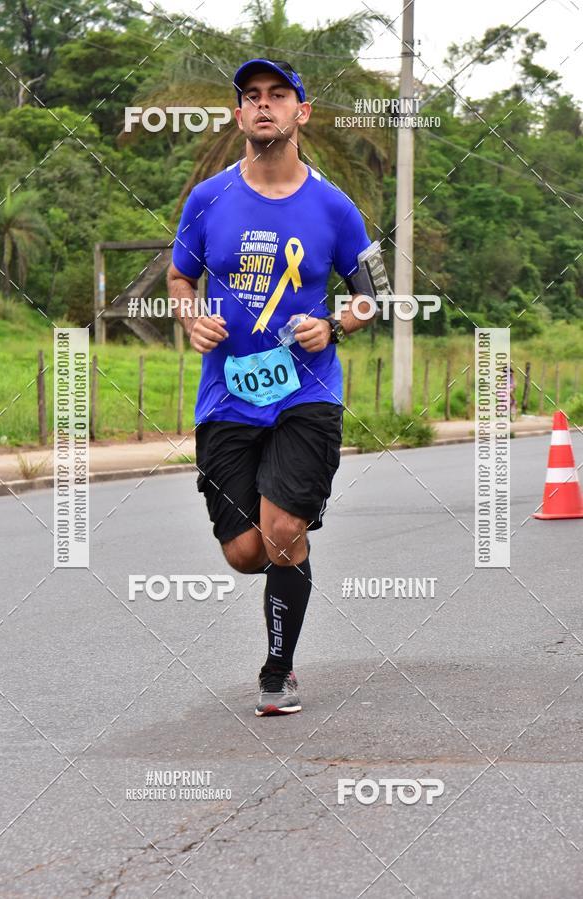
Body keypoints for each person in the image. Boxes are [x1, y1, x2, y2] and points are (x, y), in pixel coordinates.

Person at [167, 58, 374, 716]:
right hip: (227, 396)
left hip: (306, 395)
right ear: (238, 115)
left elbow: (373, 298)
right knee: (245, 550)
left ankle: (278, 669)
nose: (264, 106)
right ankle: (291, 544)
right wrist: (190, 317)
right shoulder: (208, 200)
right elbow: (179, 277)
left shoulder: (335, 207)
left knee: (282, 530)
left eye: (278, 96)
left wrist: (334, 324)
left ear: (300, 113)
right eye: (251, 97)